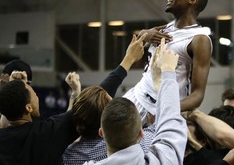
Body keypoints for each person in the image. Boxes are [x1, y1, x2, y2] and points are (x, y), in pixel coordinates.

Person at [0, 34, 147, 165]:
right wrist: (129, 60)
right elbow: (95, 99)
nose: (37, 96)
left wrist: (13, 87)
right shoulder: (45, 135)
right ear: (28, 108)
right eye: (34, 94)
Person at [85, 38, 187, 165]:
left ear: (101, 133)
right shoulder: (163, 161)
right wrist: (167, 71)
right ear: (141, 132)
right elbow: (171, 126)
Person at [124, 0, 212, 124]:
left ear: (193, 0)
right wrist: (145, 34)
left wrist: (166, 109)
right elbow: (135, 60)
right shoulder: (167, 28)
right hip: (136, 96)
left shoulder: (199, 39)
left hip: (160, 110)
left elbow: (197, 96)